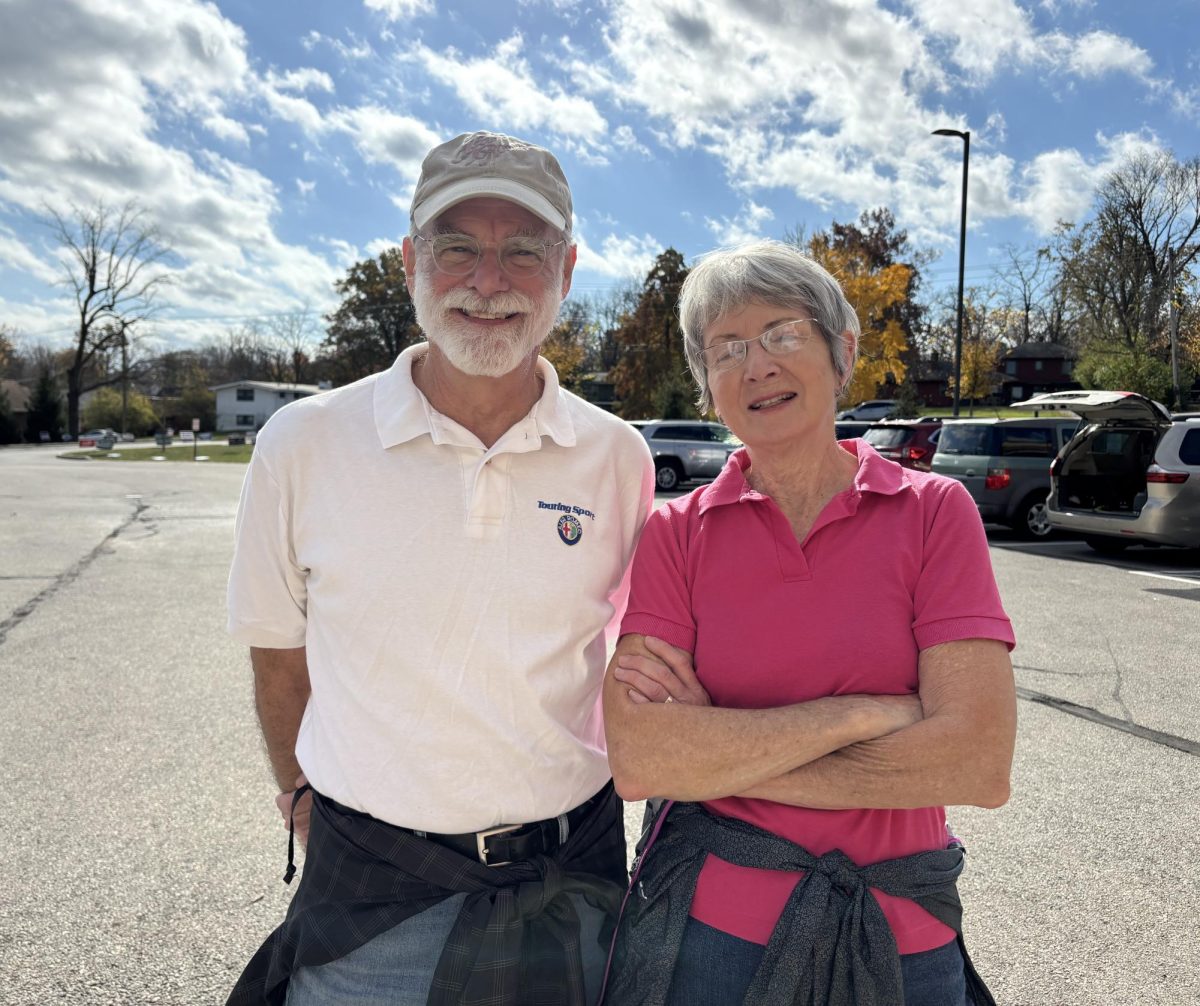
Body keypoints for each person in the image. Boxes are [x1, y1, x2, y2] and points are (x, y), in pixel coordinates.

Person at [225, 131, 655, 1006]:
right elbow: (279, 652)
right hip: (374, 886)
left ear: (567, 271)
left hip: (571, 874)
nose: (487, 281)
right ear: (410, 259)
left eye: (523, 252)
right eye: (457, 246)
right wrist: (299, 796)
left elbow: (638, 661)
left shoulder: (617, 457)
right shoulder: (304, 443)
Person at [601, 240, 1017, 1006]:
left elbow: (977, 763)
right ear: (708, 387)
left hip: (900, 932)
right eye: (726, 349)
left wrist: (721, 755)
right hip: (709, 938)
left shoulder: (932, 513)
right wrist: (861, 715)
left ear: (842, 351)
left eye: (783, 334)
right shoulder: (675, 532)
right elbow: (644, 760)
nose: (756, 364)